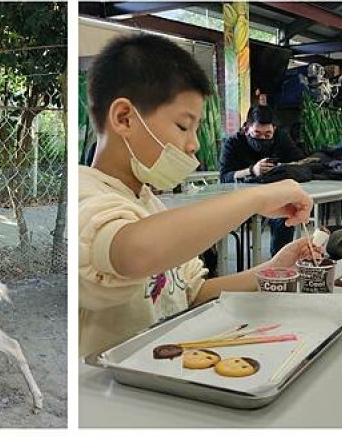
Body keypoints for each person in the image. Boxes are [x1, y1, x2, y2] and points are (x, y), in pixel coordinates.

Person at [79, 34, 318, 357]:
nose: (193, 144)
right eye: (182, 126)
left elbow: (193, 293)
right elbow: (135, 253)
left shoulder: (150, 204)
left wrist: (275, 267)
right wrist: (256, 198)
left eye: (196, 129)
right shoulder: (88, 197)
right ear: (124, 118)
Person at [219, 105, 306, 255]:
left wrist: (280, 167)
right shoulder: (232, 143)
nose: (263, 138)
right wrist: (252, 170)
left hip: (273, 195)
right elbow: (224, 177)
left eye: (267, 135)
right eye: (257, 134)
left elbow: (300, 161)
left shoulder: (281, 138)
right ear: (246, 129)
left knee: (285, 216)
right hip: (241, 198)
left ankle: (279, 264)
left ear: (274, 130)